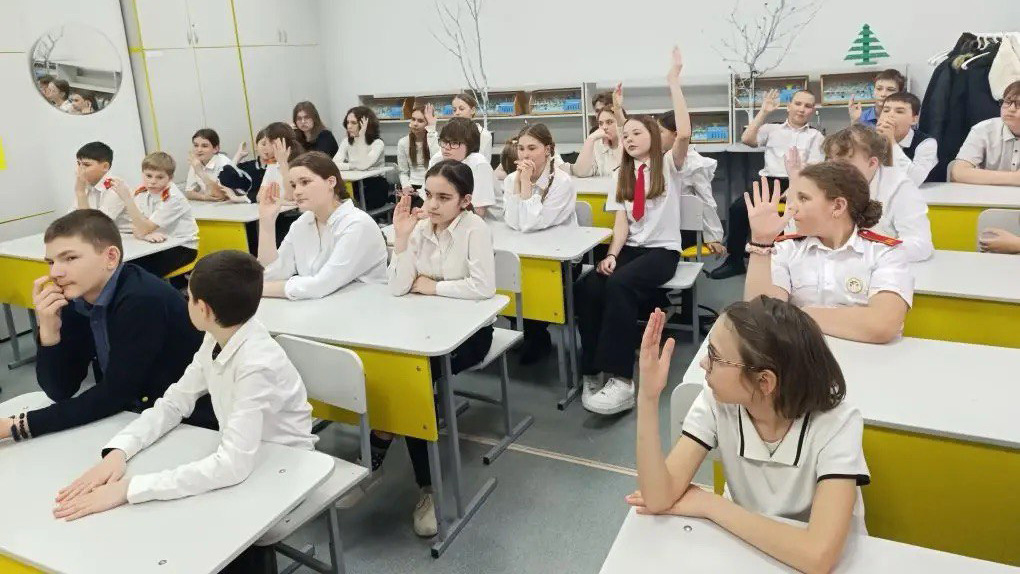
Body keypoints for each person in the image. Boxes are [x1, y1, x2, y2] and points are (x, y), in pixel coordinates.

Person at [51, 250, 315, 574]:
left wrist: (130, 489)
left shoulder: (255, 364)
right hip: (246, 452)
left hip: (285, 465)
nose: (185, 302)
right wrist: (120, 449)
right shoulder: (216, 337)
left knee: (186, 522)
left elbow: (233, 466)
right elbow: (175, 402)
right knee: (168, 507)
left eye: (188, 297)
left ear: (204, 309)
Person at [631, 298, 869, 574]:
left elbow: (817, 556)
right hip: (748, 551)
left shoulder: (838, 424)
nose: (704, 363)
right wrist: (648, 396)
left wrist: (710, 504)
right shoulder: (718, 401)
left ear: (764, 382)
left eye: (715, 356)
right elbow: (658, 498)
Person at [0, 210, 207, 443]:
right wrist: (49, 332)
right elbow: (61, 390)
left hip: (189, 424)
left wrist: (19, 425)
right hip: (134, 417)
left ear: (110, 257)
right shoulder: (76, 299)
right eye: (51, 261)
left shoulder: (142, 299)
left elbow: (116, 393)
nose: (55, 272)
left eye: (70, 258)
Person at [381, 160, 496, 537]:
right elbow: (398, 287)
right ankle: (387, 437)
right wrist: (401, 238)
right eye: (428, 194)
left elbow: (483, 288)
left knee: (410, 382)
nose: (431, 204)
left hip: (470, 336)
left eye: (444, 198)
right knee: (400, 374)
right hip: (424, 331)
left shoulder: (475, 229)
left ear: (465, 200)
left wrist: (434, 286)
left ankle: (424, 486)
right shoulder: (418, 228)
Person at [575, 47, 692, 416]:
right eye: (625, 135)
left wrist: (673, 82)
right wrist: (611, 255)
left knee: (620, 286)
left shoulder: (669, 164)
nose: (628, 138)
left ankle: (622, 380)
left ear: (654, 136)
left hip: (662, 251)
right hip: (631, 249)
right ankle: (593, 369)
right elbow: (622, 222)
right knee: (588, 287)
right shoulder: (621, 174)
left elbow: (684, 133)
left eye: (637, 133)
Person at [743, 162, 913, 344]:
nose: (791, 208)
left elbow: (882, 325)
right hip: (802, 356)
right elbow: (761, 319)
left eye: (803, 198)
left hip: (867, 357)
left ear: (838, 206)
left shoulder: (885, 252)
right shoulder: (785, 249)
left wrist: (794, 315)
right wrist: (761, 241)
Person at [708, 88, 823, 279]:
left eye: (808, 106)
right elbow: (747, 139)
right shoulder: (771, 129)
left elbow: (814, 168)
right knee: (738, 209)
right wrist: (764, 111)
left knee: (793, 215)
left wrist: (794, 187)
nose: (802, 109)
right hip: (769, 182)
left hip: (800, 181)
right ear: (789, 106)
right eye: (798, 103)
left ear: (812, 110)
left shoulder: (816, 136)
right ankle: (735, 261)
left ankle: (788, 263)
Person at [259, 151, 387, 299]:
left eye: (305, 182)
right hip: (323, 305)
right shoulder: (302, 223)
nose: (297, 192)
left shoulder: (357, 224)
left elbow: (321, 285)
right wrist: (266, 223)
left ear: (331, 182)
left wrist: (256, 288)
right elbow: (273, 276)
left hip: (366, 306)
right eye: (293, 185)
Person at [503, 123, 578, 363]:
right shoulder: (511, 179)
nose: (525, 155)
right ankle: (531, 333)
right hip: (525, 251)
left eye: (532, 148)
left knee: (534, 285)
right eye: (521, 148)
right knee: (505, 275)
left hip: (559, 258)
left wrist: (525, 185)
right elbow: (512, 220)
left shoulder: (562, 182)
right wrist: (518, 183)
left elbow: (530, 224)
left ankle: (536, 336)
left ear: (547, 150)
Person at [817, 125, 934, 262]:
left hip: (883, 267)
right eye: (831, 162)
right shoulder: (824, 184)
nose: (834, 171)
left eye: (843, 163)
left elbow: (920, 245)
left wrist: (867, 253)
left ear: (872, 163)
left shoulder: (900, 187)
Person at [110, 152, 200, 278]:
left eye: (159, 177)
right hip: (154, 244)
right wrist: (145, 235)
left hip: (181, 247)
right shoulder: (142, 192)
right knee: (119, 267)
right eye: (148, 176)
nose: (152, 181)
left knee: (135, 275)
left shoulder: (173, 198)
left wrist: (127, 199)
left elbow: (142, 228)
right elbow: (136, 226)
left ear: (170, 178)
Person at [425, 117, 500, 218]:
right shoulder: (438, 159)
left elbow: (479, 212)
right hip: (448, 216)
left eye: (454, 143)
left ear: (470, 145)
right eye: (444, 141)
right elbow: (427, 199)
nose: (446, 147)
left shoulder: (478, 163)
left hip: (487, 221)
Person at [950, 80, 1020, 185]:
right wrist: (1014, 178)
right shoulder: (983, 130)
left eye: (1019, 104)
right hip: (986, 194)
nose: (1011, 109)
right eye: (1007, 102)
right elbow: (958, 172)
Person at [333, 106, 388, 211]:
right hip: (355, 185)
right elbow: (334, 164)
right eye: (347, 122)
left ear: (366, 124)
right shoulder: (346, 141)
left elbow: (364, 165)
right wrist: (353, 166)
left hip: (375, 187)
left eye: (353, 123)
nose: (349, 126)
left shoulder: (377, 143)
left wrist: (361, 137)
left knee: (351, 208)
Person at [876, 92, 938, 185]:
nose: (890, 115)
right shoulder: (873, 138)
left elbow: (914, 180)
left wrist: (891, 142)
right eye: (886, 110)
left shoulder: (927, 143)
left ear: (914, 119)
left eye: (899, 111)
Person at [72, 141, 131, 233]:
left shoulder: (116, 187)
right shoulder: (85, 185)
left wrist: (80, 193)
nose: (80, 170)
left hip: (128, 236)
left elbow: (95, 227)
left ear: (105, 167)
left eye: (86, 165)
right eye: (79, 164)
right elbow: (72, 218)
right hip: (105, 236)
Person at [426, 92, 494, 160]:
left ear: (472, 110)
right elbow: (438, 157)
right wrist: (431, 127)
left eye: (461, 109)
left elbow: (484, 161)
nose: (457, 113)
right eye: (454, 110)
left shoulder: (484, 135)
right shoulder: (450, 132)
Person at [184, 129, 243, 202]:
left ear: (215, 149)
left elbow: (221, 196)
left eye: (204, 146)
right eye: (196, 145)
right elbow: (188, 193)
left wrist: (200, 172)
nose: (199, 150)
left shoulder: (223, 163)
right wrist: (204, 197)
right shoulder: (196, 162)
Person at [572, 106, 622, 177]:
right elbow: (581, 172)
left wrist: (620, 137)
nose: (604, 127)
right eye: (601, 123)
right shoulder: (598, 144)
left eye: (609, 122)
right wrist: (590, 139)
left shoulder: (630, 144)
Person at [396, 103, 431, 203]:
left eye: (420, 121)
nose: (415, 124)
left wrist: (421, 192)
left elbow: (437, 168)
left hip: (430, 185)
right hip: (412, 186)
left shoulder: (434, 141)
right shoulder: (403, 142)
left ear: (428, 124)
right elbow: (403, 172)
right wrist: (406, 186)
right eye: (413, 119)